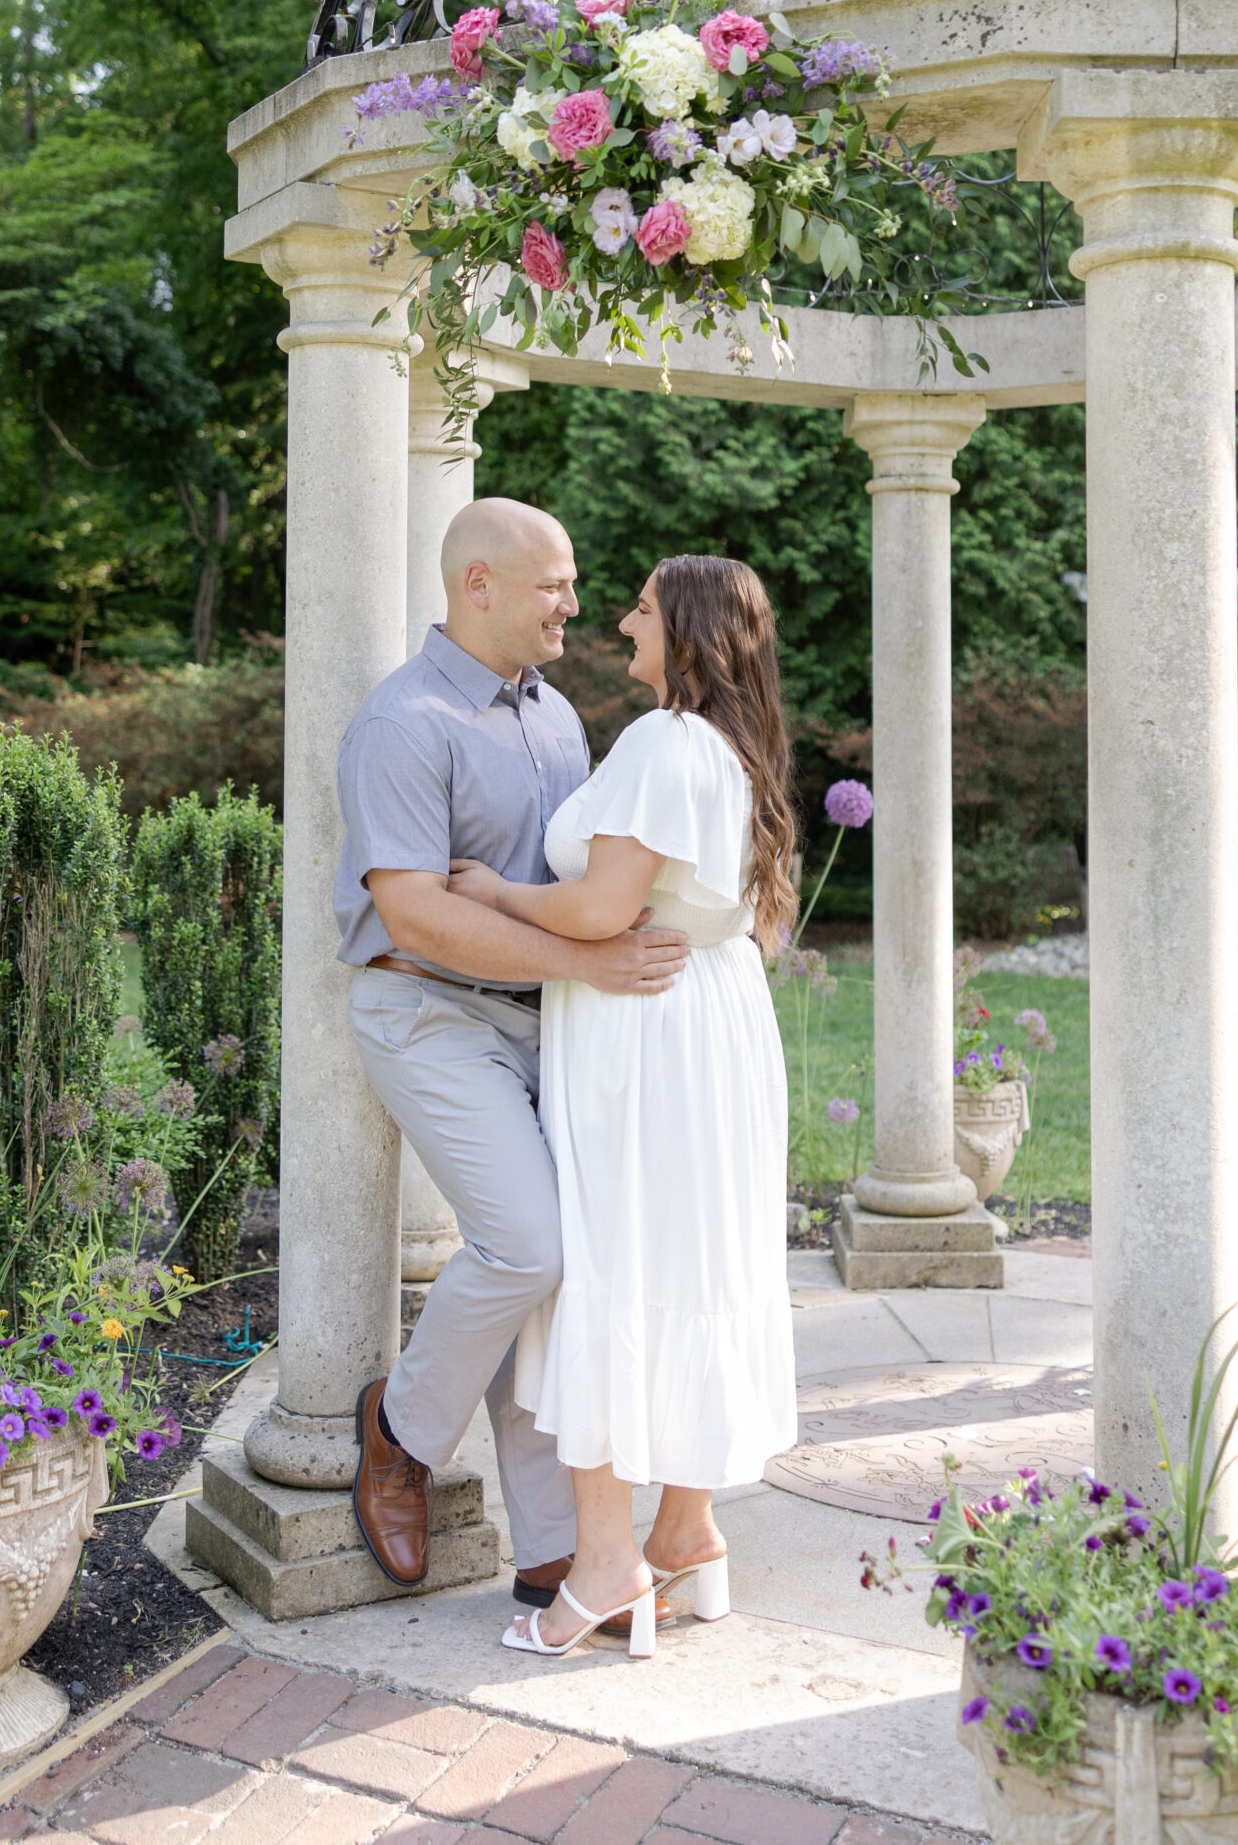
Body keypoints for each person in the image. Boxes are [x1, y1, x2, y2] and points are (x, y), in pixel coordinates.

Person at [335, 497, 691, 1602]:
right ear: (476, 584)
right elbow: (416, 915)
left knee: (568, 1260)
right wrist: (589, 963)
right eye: (554, 584)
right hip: (427, 1009)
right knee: (528, 1243)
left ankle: (554, 1544)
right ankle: (399, 1432)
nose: (575, 605)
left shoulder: (558, 717)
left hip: (548, 1018)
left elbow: (573, 886)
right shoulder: (401, 723)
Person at [449, 554, 799, 1660]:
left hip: (644, 1034)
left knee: (609, 1262)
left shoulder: (662, 741)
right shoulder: (739, 751)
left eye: (642, 608)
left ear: (686, 630)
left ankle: (604, 1567)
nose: (620, 621)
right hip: (716, 1020)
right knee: (692, 1261)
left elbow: (603, 908)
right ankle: (686, 1533)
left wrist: (497, 894)